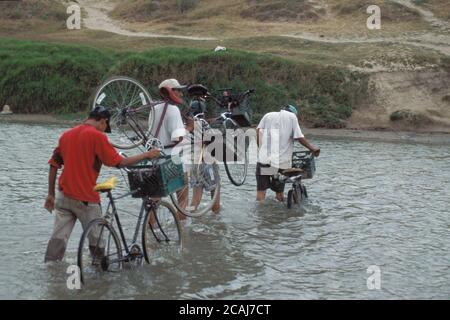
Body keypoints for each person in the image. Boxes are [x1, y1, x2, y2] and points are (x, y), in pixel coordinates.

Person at [44, 106, 161, 262]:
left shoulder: (66, 135)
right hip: (85, 199)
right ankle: (100, 274)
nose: (105, 130)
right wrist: (146, 154)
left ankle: (51, 276)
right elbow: (119, 162)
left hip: (63, 196)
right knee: (97, 243)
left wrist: (50, 194)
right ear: (103, 121)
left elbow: (53, 164)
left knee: (57, 241)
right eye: (106, 127)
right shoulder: (97, 136)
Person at [256, 104, 320, 202]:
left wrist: (261, 148)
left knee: (261, 191)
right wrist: (312, 148)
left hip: (264, 161)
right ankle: (281, 213)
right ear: (293, 113)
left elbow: (258, 131)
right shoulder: (292, 117)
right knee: (279, 193)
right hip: (280, 163)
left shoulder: (268, 115)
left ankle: (260, 214)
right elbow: (299, 137)